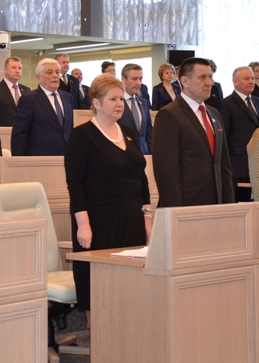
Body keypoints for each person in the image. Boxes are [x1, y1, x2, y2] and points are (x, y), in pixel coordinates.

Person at [65, 74, 150, 320]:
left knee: (130, 285)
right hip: (98, 221)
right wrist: (83, 225)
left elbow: (142, 179)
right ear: (96, 103)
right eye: (113, 99)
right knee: (99, 288)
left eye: (121, 99)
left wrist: (148, 219)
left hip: (132, 219)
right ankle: (98, 335)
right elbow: (75, 184)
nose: (119, 104)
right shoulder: (82, 135)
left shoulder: (129, 132)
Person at [151, 57, 234, 207]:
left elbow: (223, 164)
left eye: (210, 77)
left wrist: (229, 205)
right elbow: (166, 170)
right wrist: (175, 211)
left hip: (217, 203)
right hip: (187, 204)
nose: (209, 83)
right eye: (202, 77)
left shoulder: (214, 113)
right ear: (185, 81)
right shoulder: (169, 115)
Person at [220, 66, 259, 202]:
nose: (251, 81)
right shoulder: (226, 104)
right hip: (238, 166)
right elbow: (224, 138)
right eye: (246, 78)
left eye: (252, 78)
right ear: (235, 81)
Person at [11, 58, 72, 156]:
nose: (55, 75)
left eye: (57, 72)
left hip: (66, 156)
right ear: (39, 77)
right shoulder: (29, 99)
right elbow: (19, 134)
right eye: (49, 72)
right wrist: (18, 161)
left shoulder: (67, 98)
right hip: (40, 157)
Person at [0, 56, 30, 127]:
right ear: (5, 70)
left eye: (20, 68)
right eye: (13, 67)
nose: (17, 71)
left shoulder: (26, 90)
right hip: (4, 131)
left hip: (23, 131)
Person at [118, 63, 152, 154]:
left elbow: (149, 133)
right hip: (124, 154)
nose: (138, 83)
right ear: (123, 79)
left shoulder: (144, 103)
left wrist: (151, 154)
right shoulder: (117, 103)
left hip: (144, 154)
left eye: (140, 79)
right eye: (134, 79)